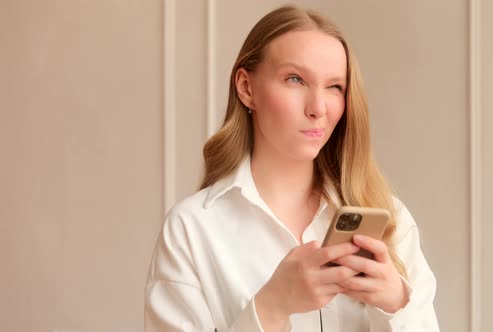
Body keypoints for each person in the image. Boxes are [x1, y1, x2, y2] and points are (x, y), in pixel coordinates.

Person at [145, 5, 439, 332]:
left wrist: (396, 304)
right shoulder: (191, 230)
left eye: (334, 87)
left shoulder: (389, 220)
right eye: (295, 79)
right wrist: (271, 307)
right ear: (246, 87)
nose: (318, 108)